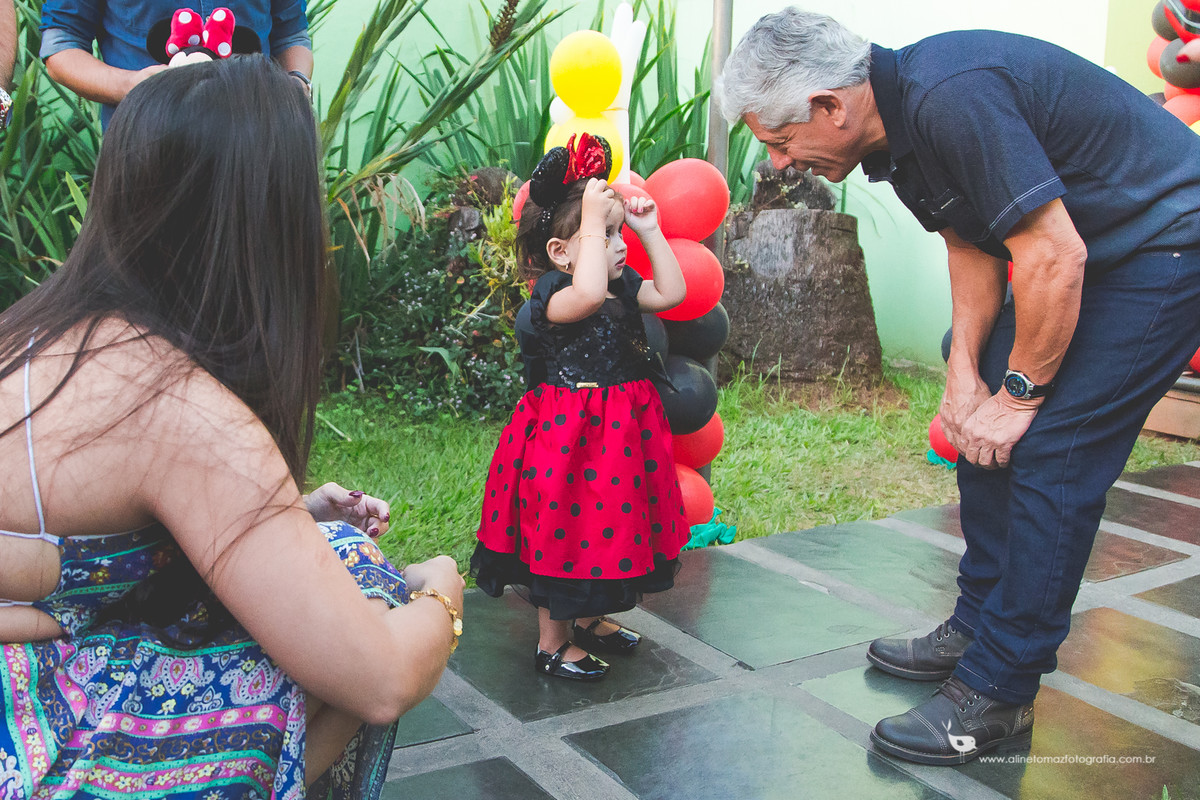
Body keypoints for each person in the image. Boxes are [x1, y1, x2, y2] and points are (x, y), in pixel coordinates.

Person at [720, 8, 1200, 765]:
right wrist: (965, 375)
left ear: (830, 106)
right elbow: (972, 244)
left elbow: (1054, 257)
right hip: (1086, 250)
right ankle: (977, 623)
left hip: (1167, 244)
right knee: (979, 403)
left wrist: (1019, 396)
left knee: (1054, 447)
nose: (779, 164)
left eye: (780, 142)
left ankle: (999, 688)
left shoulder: (953, 96)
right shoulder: (898, 130)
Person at [0, 56, 463, 797]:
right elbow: (381, 676)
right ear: (264, 221)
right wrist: (442, 591)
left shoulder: (42, 330)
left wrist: (286, 513)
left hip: (24, 693)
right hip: (35, 749)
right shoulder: (171, 403)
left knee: (335, 548)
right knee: (366, 586)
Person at [471, 134, 689, 681]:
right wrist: (593, 218)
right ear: (560, 253)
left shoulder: (621, 287)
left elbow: (672, 293)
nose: (615, 246)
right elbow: (587, 295)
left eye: (616, 234)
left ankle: (589, 620)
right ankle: (552, 643)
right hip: (569, 441)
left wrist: (648, 230)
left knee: (608, 524)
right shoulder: (556, 297)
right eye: (601, 236)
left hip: (619, 437)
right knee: (566, 530)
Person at [39, 0, 312, 127]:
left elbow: (291, 35)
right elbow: (62, 45)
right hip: (145, 147)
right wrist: (132, 85)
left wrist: (296, 87)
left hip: (254, 144)